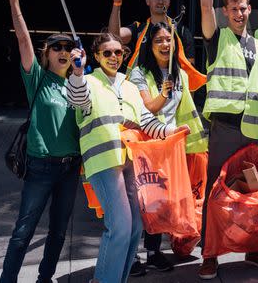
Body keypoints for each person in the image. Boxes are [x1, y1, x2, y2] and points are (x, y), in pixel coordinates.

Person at [67, 32, 188, 283]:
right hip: (103, 162)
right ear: (97, 55)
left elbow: (146, 122)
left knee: (134, 229)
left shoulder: (130, 86)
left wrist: (171, 131)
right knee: (120, 226)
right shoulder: (87, 81)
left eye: (118, 52)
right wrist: (76, 73)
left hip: (130, 163)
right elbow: (77, 98)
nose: (113, 57)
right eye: (107, 53)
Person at [198, 0, 258, 280]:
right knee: (217, 191)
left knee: (253, 191)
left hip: (252, 130)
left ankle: (253, 247)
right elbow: (204, 3)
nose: (239, 13)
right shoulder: (217, 38)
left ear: (249, 9)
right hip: (225, 129)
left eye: (243, 8)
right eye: (232, 9)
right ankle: (210, 252)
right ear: (226, 12)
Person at [0, 0, 81, 283]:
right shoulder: (38, 78)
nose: (63, 50)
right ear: (47, 55)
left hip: (70, 167)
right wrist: (15, 3)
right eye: (56, 47)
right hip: (40, 167)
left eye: (68, 47)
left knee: (59, 232)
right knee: (23, 232)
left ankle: (44, 279)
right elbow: (22, 39)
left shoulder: (80, 84)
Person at [128, 22, 209, 276]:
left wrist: (194, 145)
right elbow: (145, 111)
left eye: (169, 40)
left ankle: (153, 252)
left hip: (171, 147)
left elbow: (186, 112)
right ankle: (131, 256)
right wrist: (163, 94)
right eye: (159, 41)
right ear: (150, 46)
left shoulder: (181, 75)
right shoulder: (139, 74)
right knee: (141, 202)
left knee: (160, 202)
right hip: (145, 148)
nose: (165, 45)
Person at [108, 0, 203, 84]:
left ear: (169, 1)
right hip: (141, 90)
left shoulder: (182, 32)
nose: (160, 1)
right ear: (147, 1)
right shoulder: (139, 28)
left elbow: (189, 74)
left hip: (171, 91)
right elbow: (114, 37)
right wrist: (117, 3)